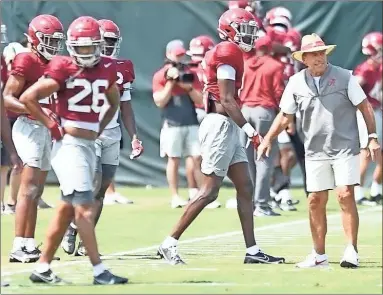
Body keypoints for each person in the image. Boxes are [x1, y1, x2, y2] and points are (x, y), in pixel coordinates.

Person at [157, 8, 285, 265]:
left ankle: (252, 251)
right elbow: (226, 99)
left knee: (245, 187)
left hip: (226, 124)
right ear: (229, 29)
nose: (249, 35)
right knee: (210, 191)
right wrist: (250, 130)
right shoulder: (228, 51)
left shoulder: (227, 51)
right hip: (220, 125)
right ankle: (169, 242)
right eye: (244, 29)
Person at [257, 33, 381, 268]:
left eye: (322, 53)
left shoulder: (346, 77)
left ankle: (351, 251)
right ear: (304, 58)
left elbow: (365, 107)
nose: (319, 58)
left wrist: (372, 137)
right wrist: (268, 140)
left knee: (345, 194)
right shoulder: (295, 82)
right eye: (313, 54)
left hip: (345, 147)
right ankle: (319, 255)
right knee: (315, 200)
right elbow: (285, 115)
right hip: (314, 150)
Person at [21, 16, 127, 285]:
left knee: (68, 207)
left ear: (99, 45)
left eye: (90, 47)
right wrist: (51, 124)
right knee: (84, 207)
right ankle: (99, 271)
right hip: (69, 146)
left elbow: (114, 102)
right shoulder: (63, 67)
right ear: (71, 47)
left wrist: (99, 128)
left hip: (88, 145)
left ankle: (43, 267)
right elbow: (28, 98)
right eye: (80, 48)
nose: (85, 54)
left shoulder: (106, 70)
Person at [61, 18, 144, 257]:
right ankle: (73, 227)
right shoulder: (77, 66)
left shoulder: (121, 67)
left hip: (112, 133)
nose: (107, 46)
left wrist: (135, 136)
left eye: (111, 41)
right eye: (103, 41)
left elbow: (125, 106)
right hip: (88, 133)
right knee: (92, 185)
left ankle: (84, 237)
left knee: (101, 191)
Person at [3, 14, 65, 263]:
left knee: (36, 190)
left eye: (56, 40)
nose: (52, 45)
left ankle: (29, 243)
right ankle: (18, 244)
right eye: (48, 39)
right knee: (28, 189)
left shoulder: (55, 62)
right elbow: (7, 97)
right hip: (28, 125)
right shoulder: (26, 59)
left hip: (44, 128)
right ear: (35, 38)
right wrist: (34, 109)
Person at [152, 39, 205, 208]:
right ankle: (175, 196)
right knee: (173, 159)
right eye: (177, 55)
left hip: (191, 121)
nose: (180, 59)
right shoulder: (160, 75)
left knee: (197, 157)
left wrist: (187, 87)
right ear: (168, 55)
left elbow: (200, 100)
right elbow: (159, 101)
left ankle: (201, 194)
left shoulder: (191, 74)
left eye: (182, 55)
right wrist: (170, 82)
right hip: (171, 123)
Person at [238, 35, 287, 215]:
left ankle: (249, 202)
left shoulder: (245, 64)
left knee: (248, 159)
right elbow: (278, 92)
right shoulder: (275, 65)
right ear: (270, 48)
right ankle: (262, 204)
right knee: (264, 159)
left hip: (244, 111)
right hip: (264, 111)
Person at [354, 31, 382, 206]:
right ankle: (358, 192)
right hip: (366, 112)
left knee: (378, 153)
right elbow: (352, 90)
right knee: (365, 152)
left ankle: (376, 189)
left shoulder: (378, 67)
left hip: (377, 111)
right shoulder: (366, 69)